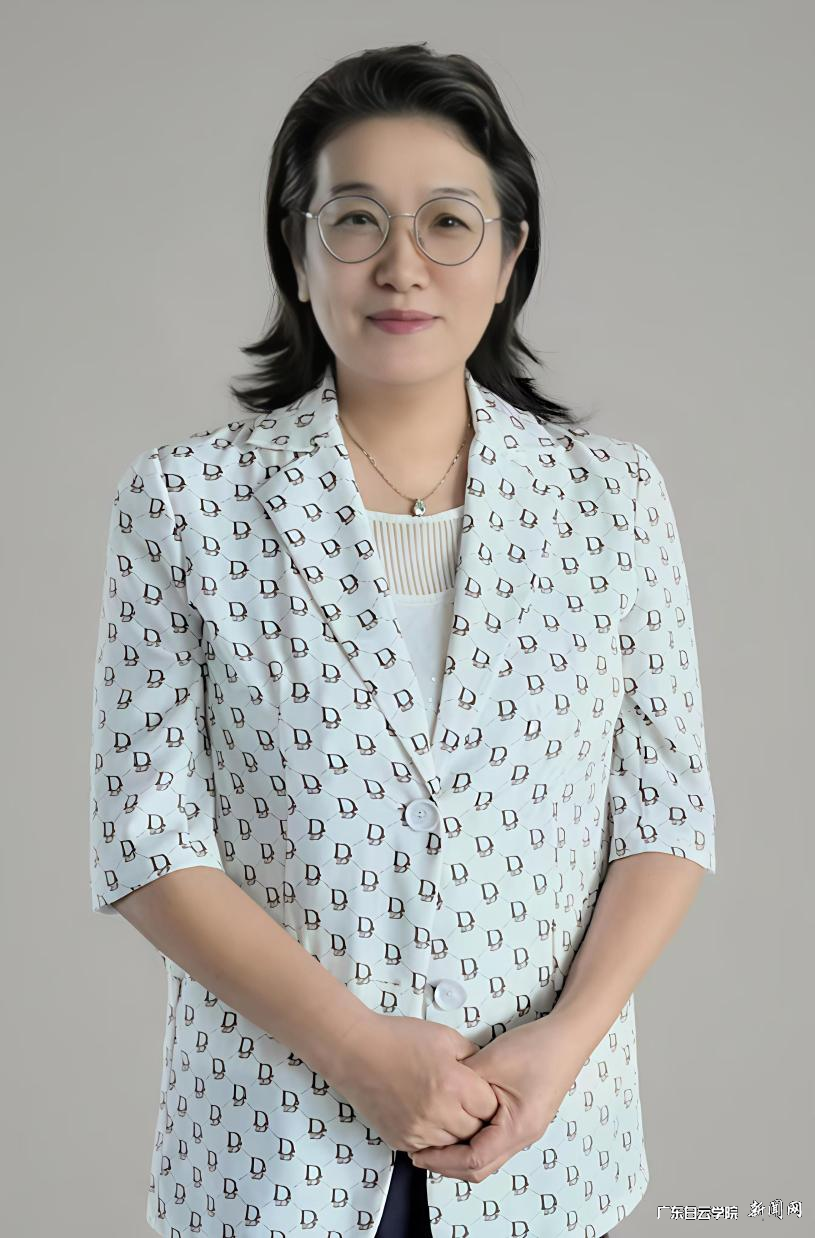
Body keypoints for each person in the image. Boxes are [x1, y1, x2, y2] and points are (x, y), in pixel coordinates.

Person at [88, 42, 716, 1238]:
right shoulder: (183, 503)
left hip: (543, 1141)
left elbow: (666, 816)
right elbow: (146, 836)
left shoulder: (612, 498)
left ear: (510, 253)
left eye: (447, 222)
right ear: (295, 249)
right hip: (272, 1147)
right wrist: (356, 1048)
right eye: (355, 219)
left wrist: (559, 1047)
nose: (400, 264)